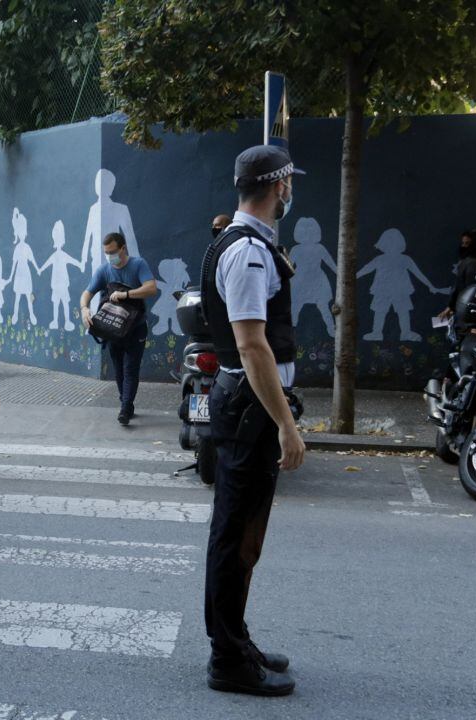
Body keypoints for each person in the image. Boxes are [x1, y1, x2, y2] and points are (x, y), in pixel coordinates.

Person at [199, 145, 307, 697]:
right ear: (279, 187)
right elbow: (252, 346)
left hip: (248, 404)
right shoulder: (248, 252)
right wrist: (286, 424)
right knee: (235, 534)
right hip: (251, 407)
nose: (291, 192)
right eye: (290, 185)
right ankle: (227, 659)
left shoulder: (247, 243)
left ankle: (236, 639)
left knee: (245, 535)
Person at [79, 232, 158, 426]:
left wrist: (126, 294)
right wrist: (84, 310)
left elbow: (151, 288)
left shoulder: (138, 264)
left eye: (112, 251)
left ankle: (125, 408)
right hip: (113, 329)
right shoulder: (104, 270)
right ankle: (126, 402)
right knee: (119, 369)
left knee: (131, 368)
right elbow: (87, 293)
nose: (109, 255)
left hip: (136, 328)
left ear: (123, 248)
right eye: (106, 252)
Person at [438, 228, 476, 323]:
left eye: (467, 243)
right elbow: (463, 289)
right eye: (463, 243)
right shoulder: (472, 264)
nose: (463, 247)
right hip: (475, 319)